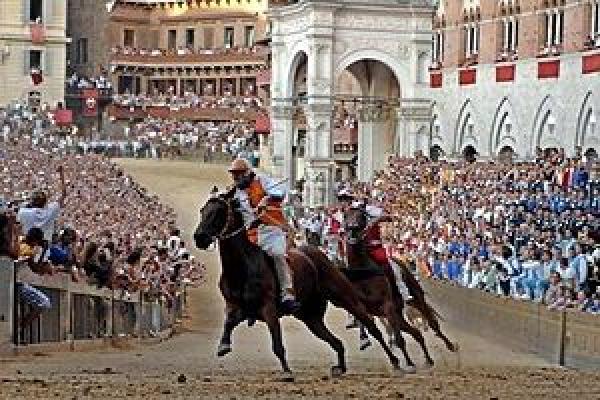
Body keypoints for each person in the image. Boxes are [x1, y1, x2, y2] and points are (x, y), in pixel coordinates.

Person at [227, 158, 300, 314]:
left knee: (278, 255)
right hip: (251, 234)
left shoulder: (263, 180)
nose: (236, 178)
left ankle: (287, 293)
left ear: (247, 173)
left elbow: (281, 191)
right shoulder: (236, 192)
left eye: (239, 175)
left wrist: (266, 199)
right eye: (234, 175)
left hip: (272, 230)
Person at [17, 165, 67, 241]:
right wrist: (61, 174)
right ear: (45, 203)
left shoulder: (23, 212)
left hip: (25, 248)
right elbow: (63, 194)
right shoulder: (50, 212)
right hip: (44, 250)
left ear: (31, 202)